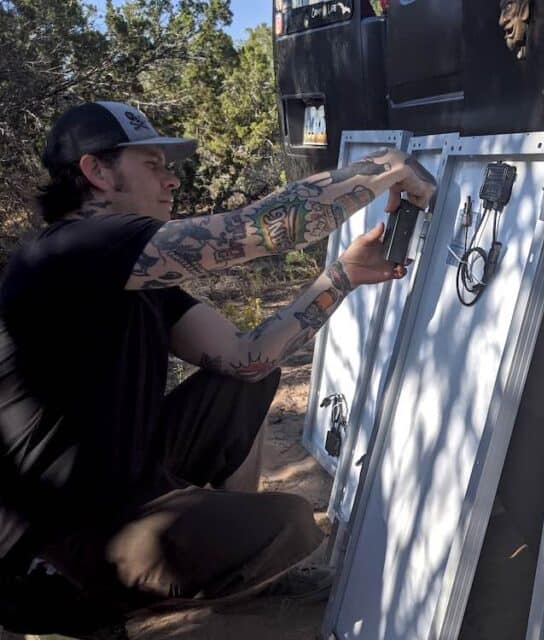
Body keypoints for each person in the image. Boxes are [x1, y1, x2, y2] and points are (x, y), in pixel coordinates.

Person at [0, 101, 436, 636]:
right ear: (96, 172)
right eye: (153, 164)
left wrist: (343, 274)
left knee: (242, 386)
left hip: (124, 490)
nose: (171, 181)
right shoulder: (73, 248)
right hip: (51, 546)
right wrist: (384, 168)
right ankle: (97, 604)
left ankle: (220, 571)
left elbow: (246, 357)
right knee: (287, 524)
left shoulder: (134, 273)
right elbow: (256, 229)